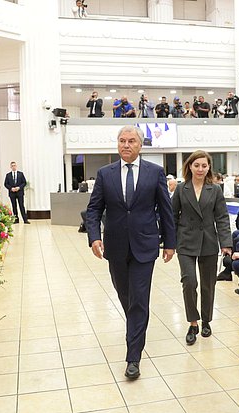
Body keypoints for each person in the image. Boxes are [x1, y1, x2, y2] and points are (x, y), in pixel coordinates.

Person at [85, 125, 176, 380]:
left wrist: (170, 243)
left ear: (140, 145)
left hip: (145, 246)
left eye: (131, 141)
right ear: (117, 144)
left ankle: (133, 357)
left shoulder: (155, 173)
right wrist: (94, 237)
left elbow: (165, 210)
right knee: (126, 296)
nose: (126, 145)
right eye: (122, 141)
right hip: (115, 247)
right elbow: (93, 210)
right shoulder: (105, 174)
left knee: (138, 300)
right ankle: (135, 325)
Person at [172, 151, 231, 345]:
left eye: (204, 166)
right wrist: (169, 244)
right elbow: (172, 217)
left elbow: (222, 218)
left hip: (208, 241)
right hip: (185, 241)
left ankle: (206, 320)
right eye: (196, 165)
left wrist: (226, 244)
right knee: (189, 282)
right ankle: (193, 322)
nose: (200, 169)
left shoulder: (214, 190)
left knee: (208, 284)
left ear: (209, 168)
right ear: (190, 166)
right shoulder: (181, 189)